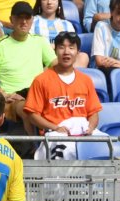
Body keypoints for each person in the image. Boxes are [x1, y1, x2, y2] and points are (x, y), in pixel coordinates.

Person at [0, 1, 57, 158]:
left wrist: (43, 76)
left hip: (36, 93)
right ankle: (36, 149)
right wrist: (3, 94)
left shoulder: (40, 41)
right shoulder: (0, 45)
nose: (24, 22)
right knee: (27, 108)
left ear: (32, 20)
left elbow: (56, 66)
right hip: (12, 98)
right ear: (12, 20)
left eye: (27, 18)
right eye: (19, 18)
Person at [24, 31, 103, 159]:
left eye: (71, 48)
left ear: (78, 52)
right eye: (61, 47)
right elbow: (32, 115)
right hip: (55, 133)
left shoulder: (86, 80)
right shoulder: (41, 80)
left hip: (82, 132)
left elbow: (94, 112)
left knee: (105, 144)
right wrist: (55, 127)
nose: (66, 52)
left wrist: (91, 127)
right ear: (55, 51)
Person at [31, 0, 90, 67]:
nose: (49, 2)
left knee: (83, 57)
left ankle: (66, 74)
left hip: (64, 56)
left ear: (58, 2)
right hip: (41, 58)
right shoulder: (32, 22)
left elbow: (73, 45)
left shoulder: (67, 24)